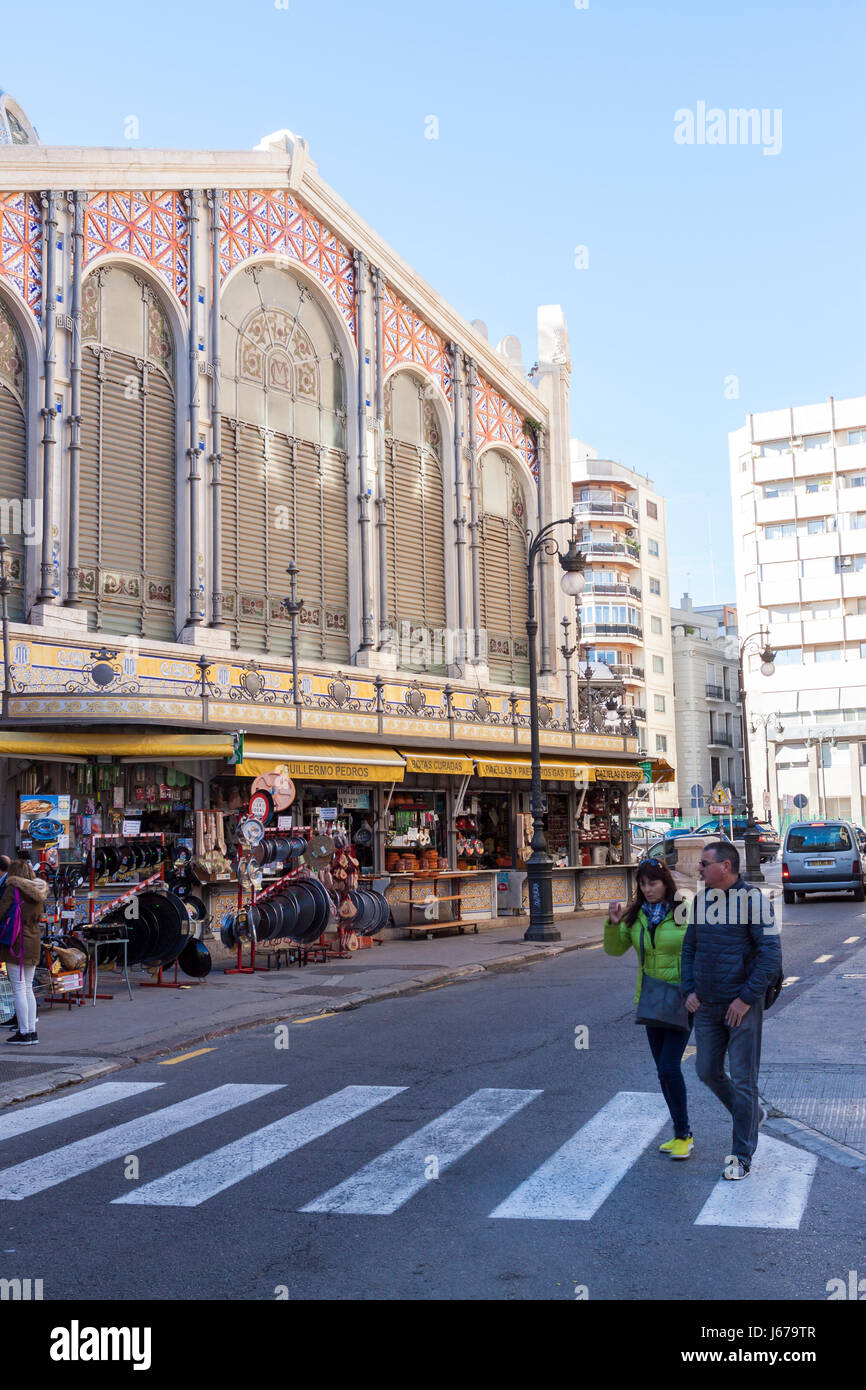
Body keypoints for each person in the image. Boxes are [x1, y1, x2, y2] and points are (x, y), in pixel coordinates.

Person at [681, 840, 781, 1181]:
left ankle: (742, 1156)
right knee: (707, 1070)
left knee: (743, 1080)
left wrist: (746, 999)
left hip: (741, 1007)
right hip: (707, 1006)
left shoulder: (753, 901)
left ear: (726, 866)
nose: (699, 868)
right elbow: (689, 949)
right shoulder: (701, 900)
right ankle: (751, 1115)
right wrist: (688, 990)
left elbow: (770, 956)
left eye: (705, 863)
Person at [605, 859, 694, 1158]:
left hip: (681, 999)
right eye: (643, 884)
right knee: (662, 1071)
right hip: (651, 999)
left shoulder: (683, 910)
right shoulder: (637, 917)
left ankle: (684, 1136)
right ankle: (680, 1132)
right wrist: (613, 924)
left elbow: (699, 948)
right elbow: (615, 950)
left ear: (665, 882)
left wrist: (697, 988)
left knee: (669, 1067)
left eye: (653, 883)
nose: (648, 889)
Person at [0, 859, 48, 1046]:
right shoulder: (39, 891)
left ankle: (24, 1032)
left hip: (17, 942)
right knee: (27, 987)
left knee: (18, 988)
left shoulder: (14, 888)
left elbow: (1, 911)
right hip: (33, 940)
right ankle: (31, 1031)